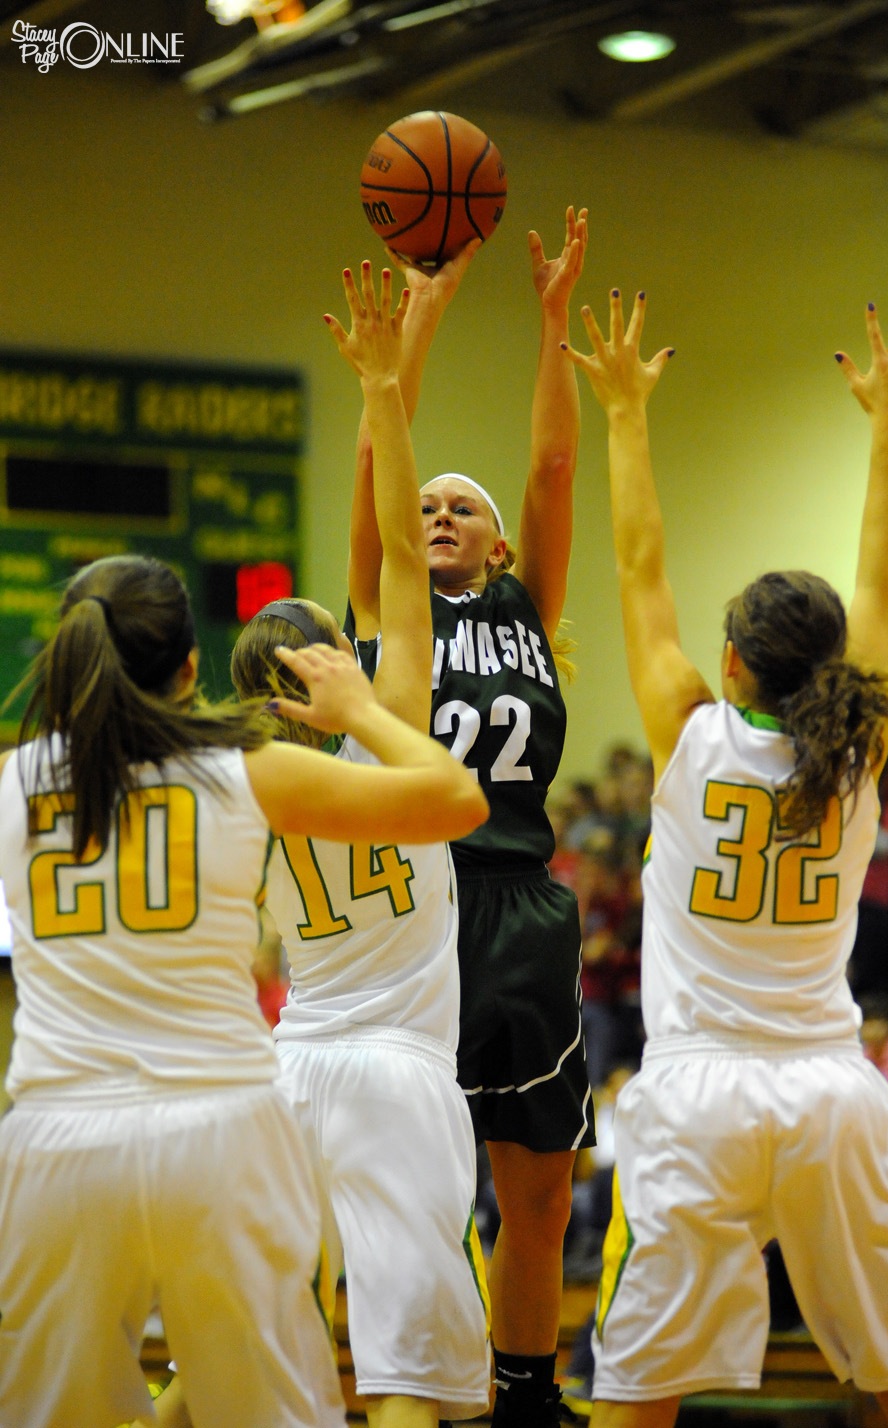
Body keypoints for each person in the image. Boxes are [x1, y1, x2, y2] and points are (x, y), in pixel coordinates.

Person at [565, 290, 888, 1428]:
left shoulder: (687, 729)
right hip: (831, 1093)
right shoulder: (861, 744)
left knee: (635, 1391)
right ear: (834, 667)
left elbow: (638, 565)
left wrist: (625, 411)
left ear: (728, 663)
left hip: (695, 1095)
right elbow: (879, 581)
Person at [0, 551, 487, 1428]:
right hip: (218, 1124)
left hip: (60, 1131)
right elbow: (456, 797)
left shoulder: (13, 780)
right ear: (189, 668)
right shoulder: (242, 771)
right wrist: (365, 711)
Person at [232, 260, 493, 1428]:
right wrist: (383, 388)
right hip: (395, 1074)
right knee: (404, 1374)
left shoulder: (240, 780)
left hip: (285, 1073)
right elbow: (400, 552)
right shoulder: (390, 753)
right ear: (337, 663)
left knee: (255, 1349)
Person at [348, 207, 594, 1428]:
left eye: (462, 505)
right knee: (423, 1180)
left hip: (527, 908)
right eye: (427, 501)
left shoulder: (528, 608)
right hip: (426, 910)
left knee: (536, 1187)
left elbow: (552, 469)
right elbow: (375, 470)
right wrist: (420, 317)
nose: (438, 512)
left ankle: (524, 1391)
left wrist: (551, 322)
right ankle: (411, 1374)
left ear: (497, 541)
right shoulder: (390, 603)